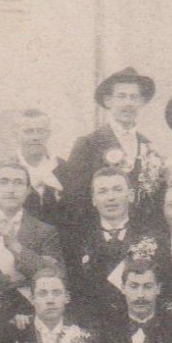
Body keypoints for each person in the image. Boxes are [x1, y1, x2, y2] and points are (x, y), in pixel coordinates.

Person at [64, 67, 162, 229]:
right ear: (108, 101)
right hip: (97, 235)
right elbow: (74, 200)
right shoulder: (88, 143)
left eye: (134, 97)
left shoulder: (148, 146)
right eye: (121, 96)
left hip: (139, 236)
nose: (128, 103)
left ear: (141, 102)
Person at [68, 168, 158, 328]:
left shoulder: (150, 236)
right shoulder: (77, 240)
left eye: (117, 190)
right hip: (94, 327)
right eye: (102, 191)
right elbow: (75, 292)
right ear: (93, 199)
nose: (111, 198)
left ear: (130, 196)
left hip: (139, 327)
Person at [0, 160, 63, 297]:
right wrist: (10, 280)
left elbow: (55, 275)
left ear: (28, 190)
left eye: (18, 183)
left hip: (29, 311)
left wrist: (15, 246)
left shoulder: (46, 232)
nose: (11, 189)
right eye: (3, 182)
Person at [15, 108, 68, 230]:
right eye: (28, 132)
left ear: (49, 133)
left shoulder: (63, 168)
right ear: (17, 133)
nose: (35, 137)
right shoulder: (7, 168)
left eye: (40, 131)